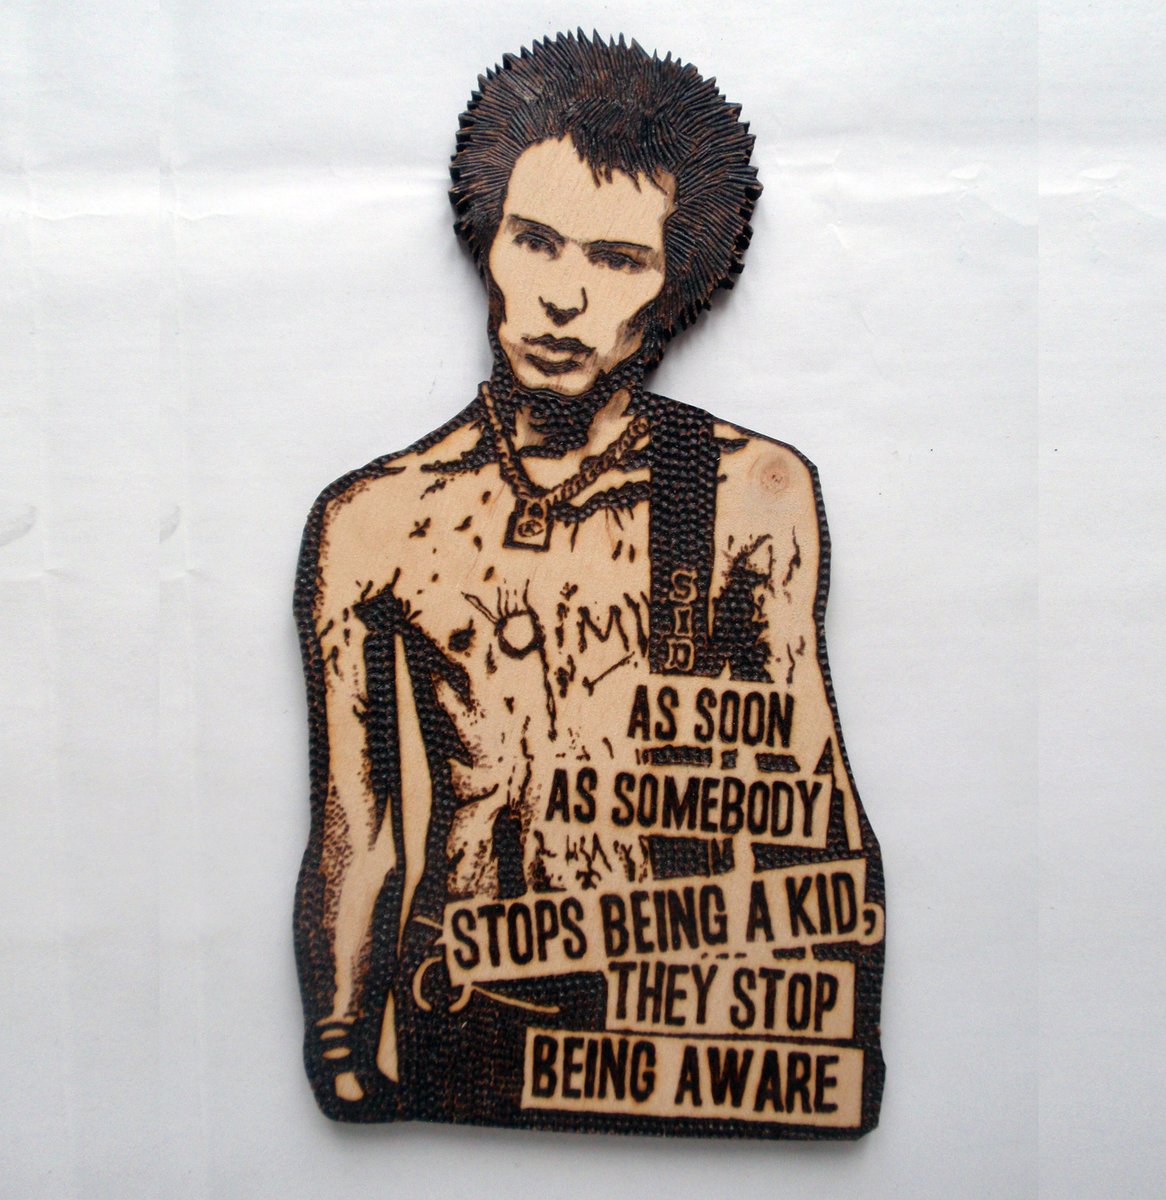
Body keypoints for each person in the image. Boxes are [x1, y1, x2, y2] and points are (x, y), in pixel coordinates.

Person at [295, 32, 884, 1134]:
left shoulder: (747, 491)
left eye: (617, 260)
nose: (563, 296)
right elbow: (356, 824)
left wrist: (828, 1039)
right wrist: (339, 1037)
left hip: (667, 1017)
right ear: (487, 241)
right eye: (536, 240)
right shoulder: (374, 521)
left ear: (674, 287)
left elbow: (806, 790)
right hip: (456, 1013)